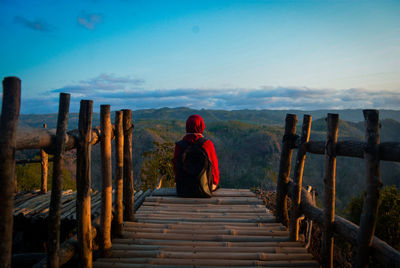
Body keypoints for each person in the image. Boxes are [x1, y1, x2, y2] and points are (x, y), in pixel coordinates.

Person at [173, 115, 219, 195]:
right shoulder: (207, 144)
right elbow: (214, 166)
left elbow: (176, 167)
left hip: (183, 188)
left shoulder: (179, 146)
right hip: (204, 187)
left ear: (187, 126)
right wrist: (214, 182)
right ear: (202, 126)